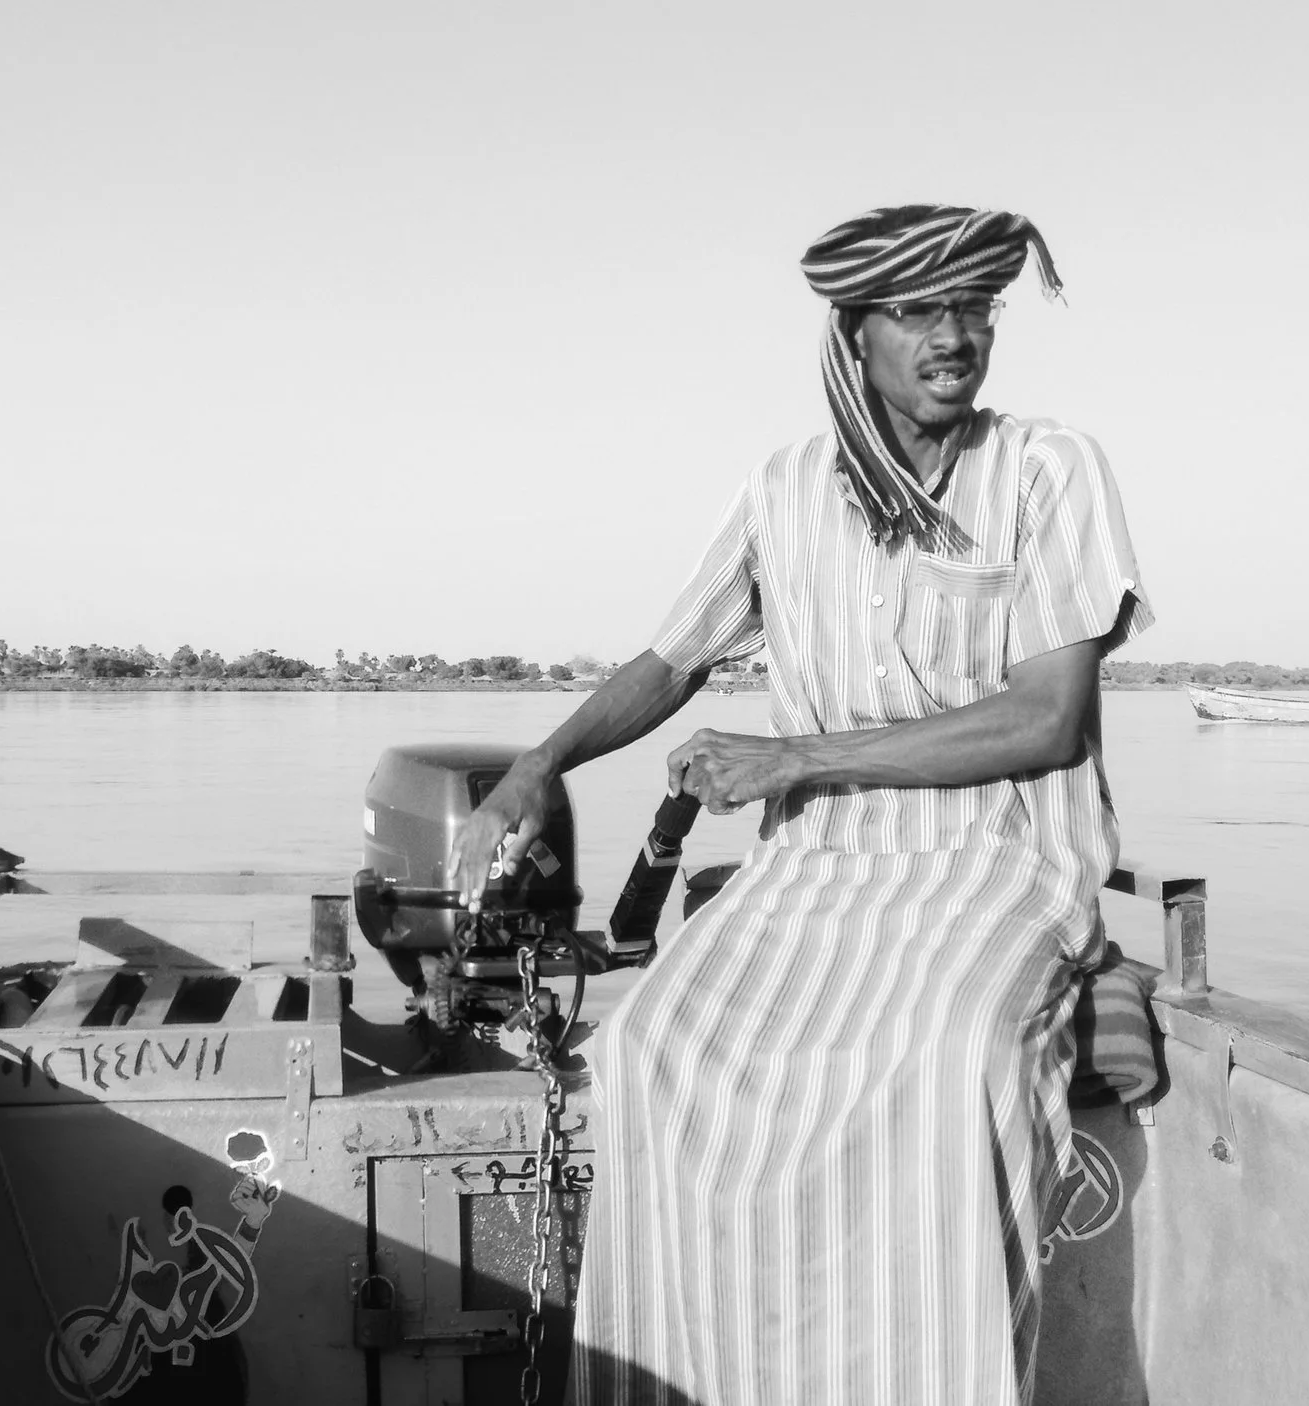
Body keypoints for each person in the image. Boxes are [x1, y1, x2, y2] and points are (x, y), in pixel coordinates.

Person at [450, 205, 1149, 1405]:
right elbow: (668, 663)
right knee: (647, 1050)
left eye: (973, 308)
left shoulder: (1046, 468)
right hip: (816, 876)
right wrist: (540, 762)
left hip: (997, 863)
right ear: (854, 334)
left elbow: (1047, 720)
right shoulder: (782, 488)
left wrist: (791, 760)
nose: (955, 335)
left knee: (945, 1057)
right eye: (919, 310)